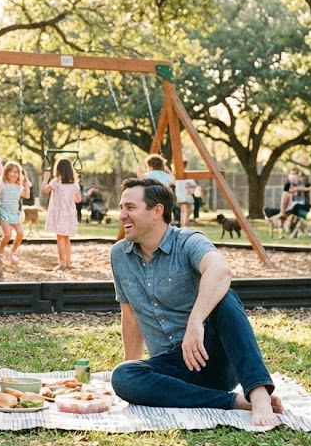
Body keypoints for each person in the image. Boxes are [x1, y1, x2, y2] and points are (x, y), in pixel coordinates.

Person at [109, 177, 284, 426]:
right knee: (123, 375)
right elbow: (130, 316)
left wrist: (196, 322)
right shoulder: (119, 255)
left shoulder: (188, 241)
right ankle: (233, 402)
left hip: (211, 357)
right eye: (121, 207)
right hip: (172, 370)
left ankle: (258, 394)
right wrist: (133, 364)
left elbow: (220, 271)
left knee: (225, 298)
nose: (122, 215)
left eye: (130, 207)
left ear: (157, 211)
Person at [41, 158, 81, 271]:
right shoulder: (74, 184)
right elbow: (78, 199)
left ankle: (62, 263)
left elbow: (44, 191)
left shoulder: (55, 182)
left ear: (57, 169)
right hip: (69, 213)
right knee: (66, 237)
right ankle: (68, 261)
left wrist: (45, 179)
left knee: (60, 238)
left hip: (59, 213)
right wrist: (69, 197)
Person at [0, 161, 31, 262]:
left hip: (15, 214)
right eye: (11, 172)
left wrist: (26, 182)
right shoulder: (2, 184)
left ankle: (13, 252)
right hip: (4, 213)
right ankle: (0, 252)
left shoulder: (19, 186)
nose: (14, 174)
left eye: (16, 172)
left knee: (20, 233)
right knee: (7, 235)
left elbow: (27, 195)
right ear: (6, 173)